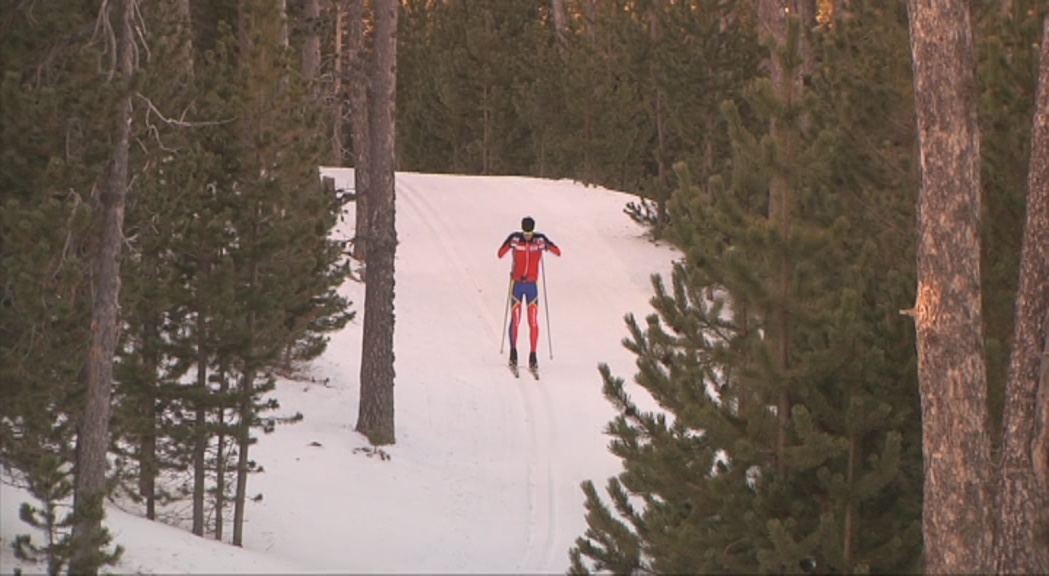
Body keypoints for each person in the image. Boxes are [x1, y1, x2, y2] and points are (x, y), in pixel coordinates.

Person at [497, 216, 561, 370]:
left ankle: (533, 355)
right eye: (525, 233)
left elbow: (558, 252)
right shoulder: (515, 239)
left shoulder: (539, 240)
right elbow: (500, 253)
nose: (527, 236)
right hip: (518, 285)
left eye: (530, 233)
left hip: (532, 285)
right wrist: (510, 246)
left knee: (533, 321)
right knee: (516, 320)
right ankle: (513, 353)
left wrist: (546, 246)